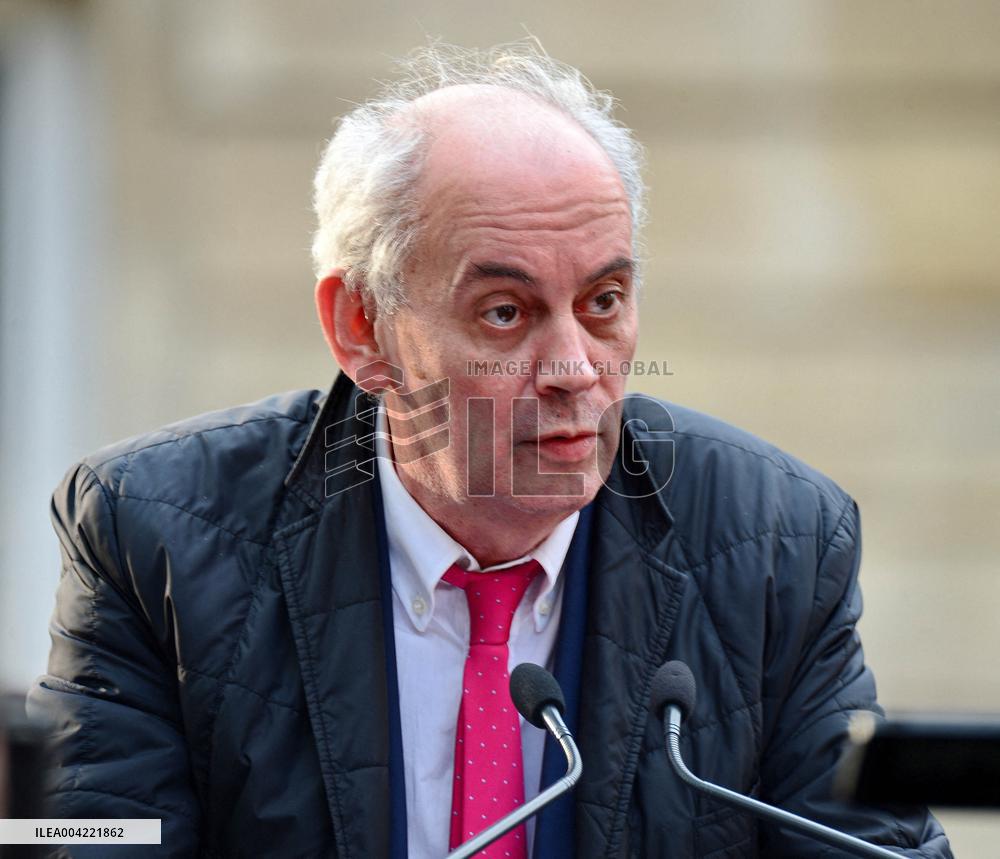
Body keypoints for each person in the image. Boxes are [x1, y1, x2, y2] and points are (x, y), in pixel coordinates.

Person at [28, 43, 951, 858]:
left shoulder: (776, 543)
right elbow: (77, 836)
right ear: (361, 328)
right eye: (505, 313)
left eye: (603, 302)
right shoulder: (155, 535)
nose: (574, 369)